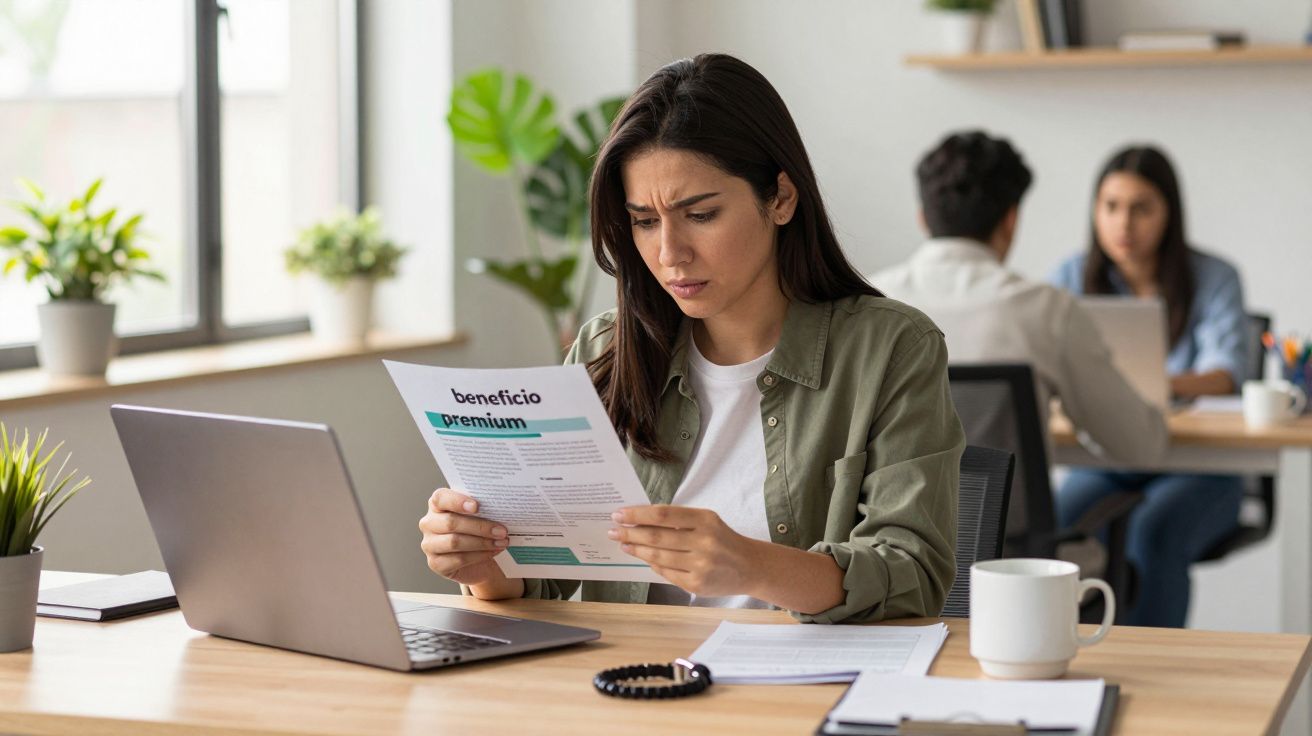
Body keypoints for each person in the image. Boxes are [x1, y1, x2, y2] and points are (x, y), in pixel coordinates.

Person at [418, 53, 965, 624]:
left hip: (803, 693)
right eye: (644, 221)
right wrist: (480, 564)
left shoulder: (891, 349)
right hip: (636, 690)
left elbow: (912, 575)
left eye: (700, 214)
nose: (668, 253)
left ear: (780, 197)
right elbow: (540, 581)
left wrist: (751, 565)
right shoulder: (606, 351)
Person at [871, 131, 1169, 565]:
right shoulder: (1046, 311)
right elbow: (1140, 446)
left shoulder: (864, 305)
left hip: (881, 569)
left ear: (923, 217)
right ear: (1011, 219)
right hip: (1010, 568)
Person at [1049, 144, 1247, 628]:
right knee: (1048, 527)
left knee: (1151, 533)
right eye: (1111, 206)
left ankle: (1157, 675)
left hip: (1203, 465)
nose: (1124, 223)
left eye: (1142, 208)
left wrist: (1150, 385)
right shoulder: (1070, 277)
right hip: (1108, 457)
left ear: (1169, 214)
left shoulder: (1214, 277)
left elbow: (1227, 373)